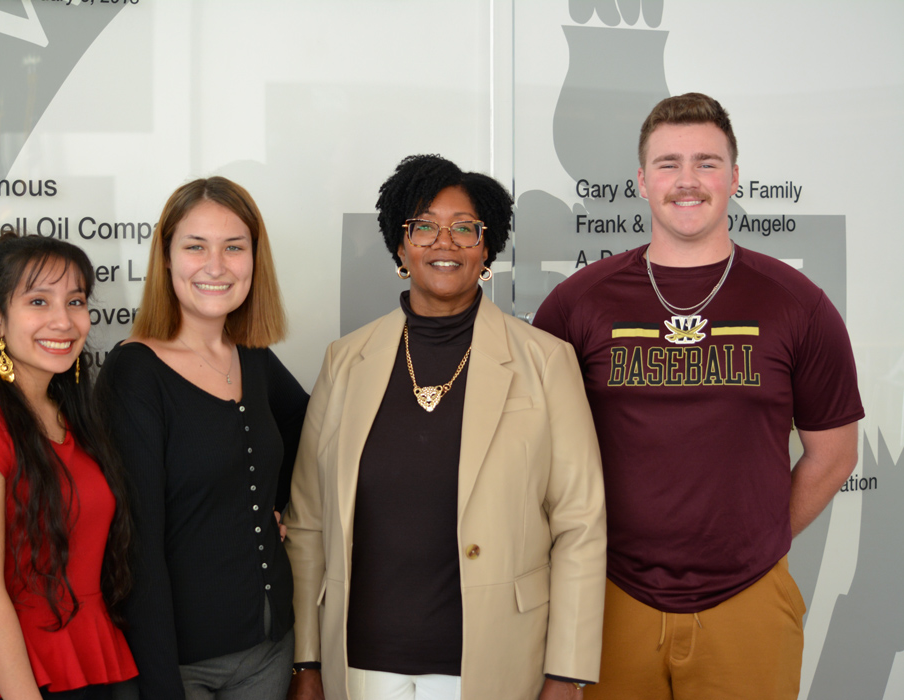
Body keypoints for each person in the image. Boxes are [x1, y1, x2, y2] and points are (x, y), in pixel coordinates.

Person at [533, 93, 865, 700]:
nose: (687, 181)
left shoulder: (797, 303)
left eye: (707, 162)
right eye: (668, 164)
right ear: (640, 180)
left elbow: (835, 453)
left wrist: (757, 537)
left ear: (735, 177)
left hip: (748, 598)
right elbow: (533, 452)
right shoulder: (577, 303)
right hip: (607, 594)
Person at [285, 154, 606, 700]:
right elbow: (309, 523)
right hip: (361, 668)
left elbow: (580, 523)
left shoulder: (546, 362)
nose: (445, 242)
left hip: (497, 661)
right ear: (400, 245)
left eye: (464, 228)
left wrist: (567, 672)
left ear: (486, 248)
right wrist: (307, 662)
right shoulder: (345, 361)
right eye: (424, 227)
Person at [97, 177, 309, 700]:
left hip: (271, 648)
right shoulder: (135, 374)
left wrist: (273, 505)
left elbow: (308, 426)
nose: (216, 265)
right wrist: (160, 683)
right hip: (182, 664)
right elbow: (135, 547)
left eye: (234, 247)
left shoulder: (252, 355)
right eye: (195, 246)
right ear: (166, 259)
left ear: (254, 260)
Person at [0, 233, 138, 700]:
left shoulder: (70, 413)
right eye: (38, 301)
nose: (63, 320)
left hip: (96, 656)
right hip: (15, 675)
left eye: (74, 301)